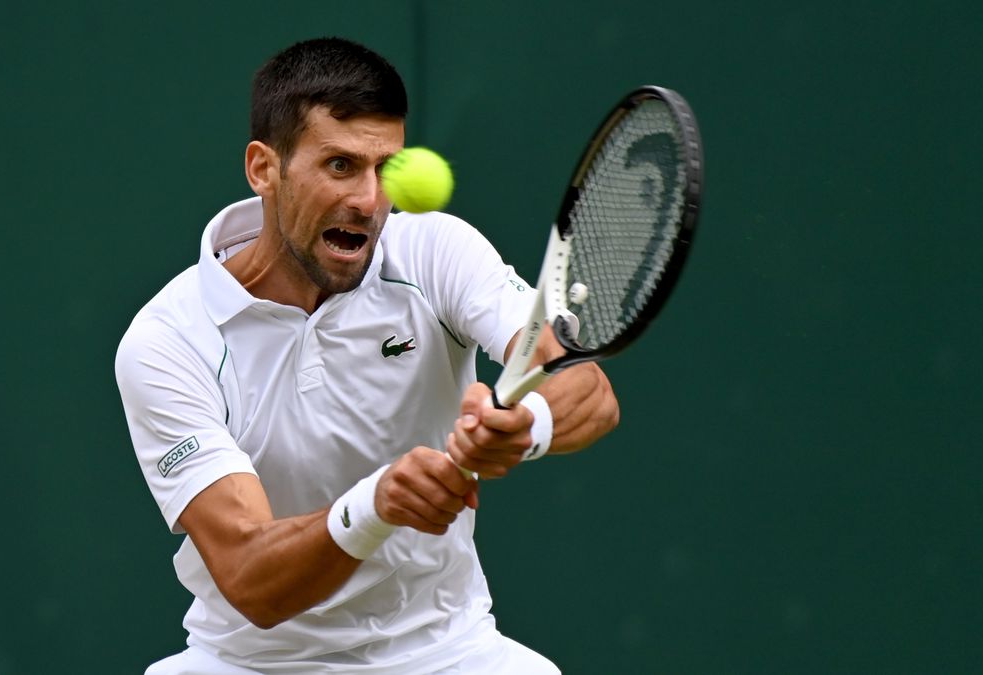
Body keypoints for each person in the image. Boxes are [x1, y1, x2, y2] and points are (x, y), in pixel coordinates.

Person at [115, 37, 618, 674]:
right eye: (340, 166)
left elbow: (585, 385)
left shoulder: (436, 253)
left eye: (388, 168)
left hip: (447, 651)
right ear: (263, 168)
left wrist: (526, 427)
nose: (369, 200)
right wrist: (375, 506)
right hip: (250, 662)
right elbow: (250, 577)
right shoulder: (169, 339)